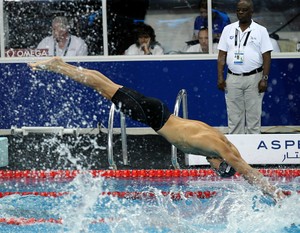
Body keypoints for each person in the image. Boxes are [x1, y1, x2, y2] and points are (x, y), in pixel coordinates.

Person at [28, 57, 287, 203]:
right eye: (219, 170)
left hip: (160, 112)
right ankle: (58, 66)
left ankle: (62, 65)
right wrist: (274, 192)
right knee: (104, 88)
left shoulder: (221, 142)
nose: (214, 170)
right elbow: (246, 170)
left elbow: (240, 162)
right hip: (156, 117)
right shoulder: (220, 149)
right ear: (222, 163)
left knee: (107, 85)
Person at [217, 0, 273, 134]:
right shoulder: (228, 29)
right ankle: (237, 151)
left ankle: (253, 152)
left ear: (251, 12)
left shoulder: (260, 30)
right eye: (238, 10)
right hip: (233, 78)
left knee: (253, 118)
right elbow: (221, 55)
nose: (240, 12)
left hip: (254, 78)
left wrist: (264, 78)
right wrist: (220, 76)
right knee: (234, 118)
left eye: (244, 10)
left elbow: (267, 56)